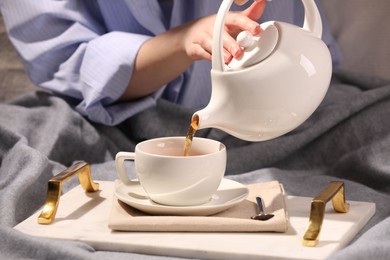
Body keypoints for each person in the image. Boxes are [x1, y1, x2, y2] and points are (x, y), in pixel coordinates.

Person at [0, 0, 340, 126]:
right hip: (111, 124)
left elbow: (316, 54)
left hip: (293, 115)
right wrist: (180, 43)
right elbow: (68, 60)